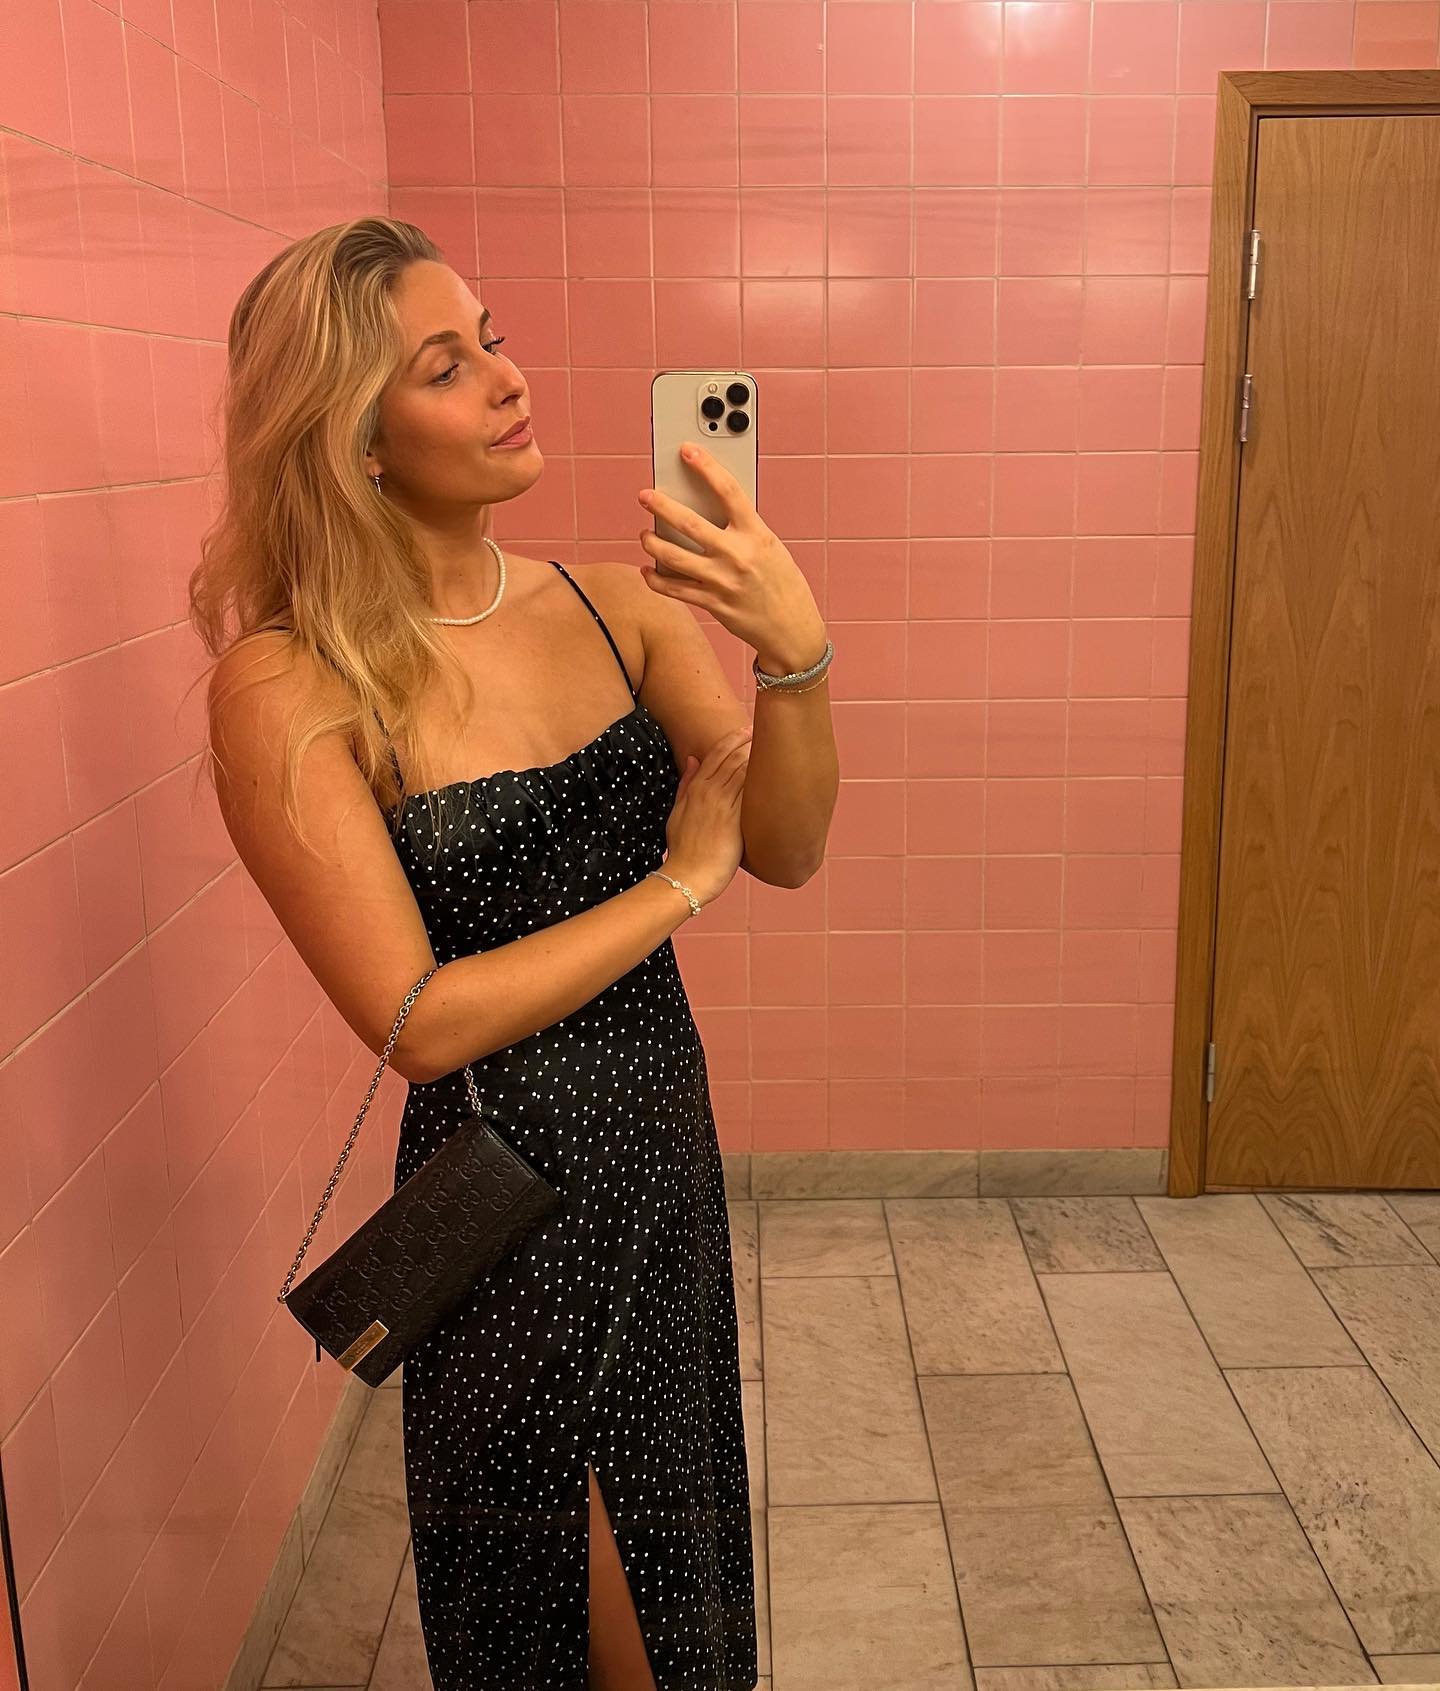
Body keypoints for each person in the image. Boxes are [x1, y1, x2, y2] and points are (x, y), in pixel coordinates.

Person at [188, 216, 811, 1690]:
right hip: (506, 1200)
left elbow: (784, 845)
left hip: (659, 1153)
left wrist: (796, 655)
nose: (507, 381)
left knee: (677, 1583)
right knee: (570, 1619)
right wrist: (677, 884)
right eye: (445, 367)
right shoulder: (288, 681)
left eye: (495, 341)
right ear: (355, 438)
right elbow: (414, 1020)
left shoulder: (618, 605)